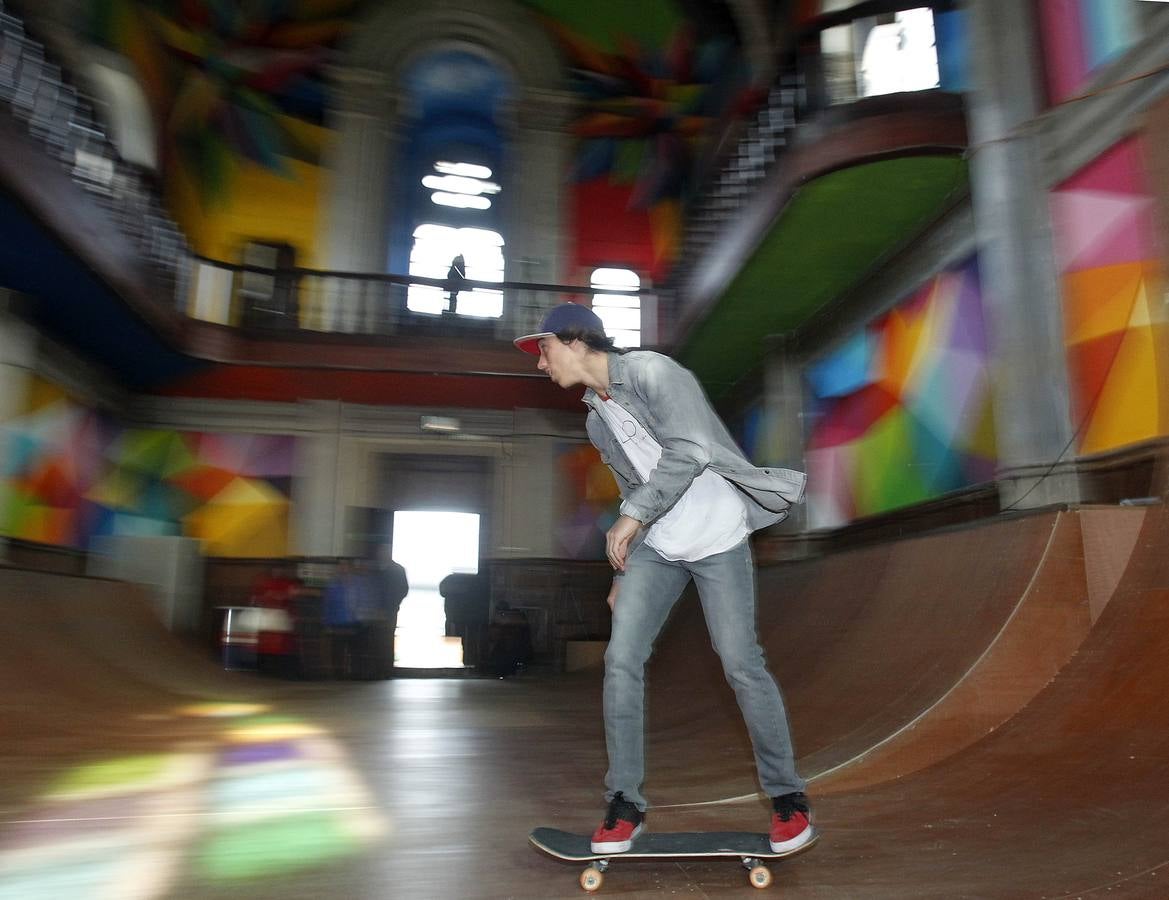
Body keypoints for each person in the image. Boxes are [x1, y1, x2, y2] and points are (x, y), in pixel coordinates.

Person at [514, 302, 812, 855]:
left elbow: (690, 449)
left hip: (719, 538)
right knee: (620, 660)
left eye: (544, 350)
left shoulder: (654, 372)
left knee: (741, 663)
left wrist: (630, 519)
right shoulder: (594, 420)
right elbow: (635, 487)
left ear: (575, 342)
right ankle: (625, 804)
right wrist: (624, 566)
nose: (540, 363)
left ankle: (788, 797)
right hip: (659, 547)